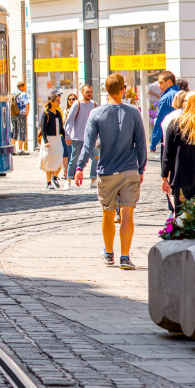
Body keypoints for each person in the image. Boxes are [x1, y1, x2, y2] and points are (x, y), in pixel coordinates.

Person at [74, 73, 147, 271]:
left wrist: (79, 167)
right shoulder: (133, 112)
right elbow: (141, 143)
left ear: (106, 91)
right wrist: (142, 168)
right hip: (130, 169)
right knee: (127, 214)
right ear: (123, 90)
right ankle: (125, 257)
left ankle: (108, 253)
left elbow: (88, 145)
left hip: (107, 171)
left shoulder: (96, 113)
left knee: (107, 213)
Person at [65, 84, 99, 188]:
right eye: (87, 92)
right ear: (82, 92)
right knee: (74, 159)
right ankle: (69, 180)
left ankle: (93, 180)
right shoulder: (77, 104)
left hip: (91, 138)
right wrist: (67, 135)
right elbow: (69, 120)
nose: (89, 94)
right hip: (78, 137)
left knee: (96, 157)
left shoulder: (95, 105)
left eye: (91, 92)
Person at [38, 92, 66, 190]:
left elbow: (61, 127)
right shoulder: (46, 113)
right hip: (49, 139)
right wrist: (45, 141)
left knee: (59, 160)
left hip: (57, 139)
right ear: (52, 102)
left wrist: (66, 137)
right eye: (57, 101)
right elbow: (43, 129)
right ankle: (48, 183)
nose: (59, 102)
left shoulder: (58, 113)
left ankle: (55, 177)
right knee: (48, 161)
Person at [149, 70, 180, 152]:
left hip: (169, 140)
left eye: (161, 83)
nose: (159, 86)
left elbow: (161, 120)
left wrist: (153, 143)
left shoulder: (166, 97)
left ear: (169, 82)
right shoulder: (181, 94)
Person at [10, 82, 29, 155]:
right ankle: (20, 150)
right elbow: (27, 103)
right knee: (22, 130)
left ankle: (12, 149)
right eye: (24, 86)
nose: (25, 88)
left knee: (14, 130)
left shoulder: (13, 93)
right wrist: (27, 113)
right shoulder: (23, 94)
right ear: (21, 87)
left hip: (13, 113)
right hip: (21, 114)